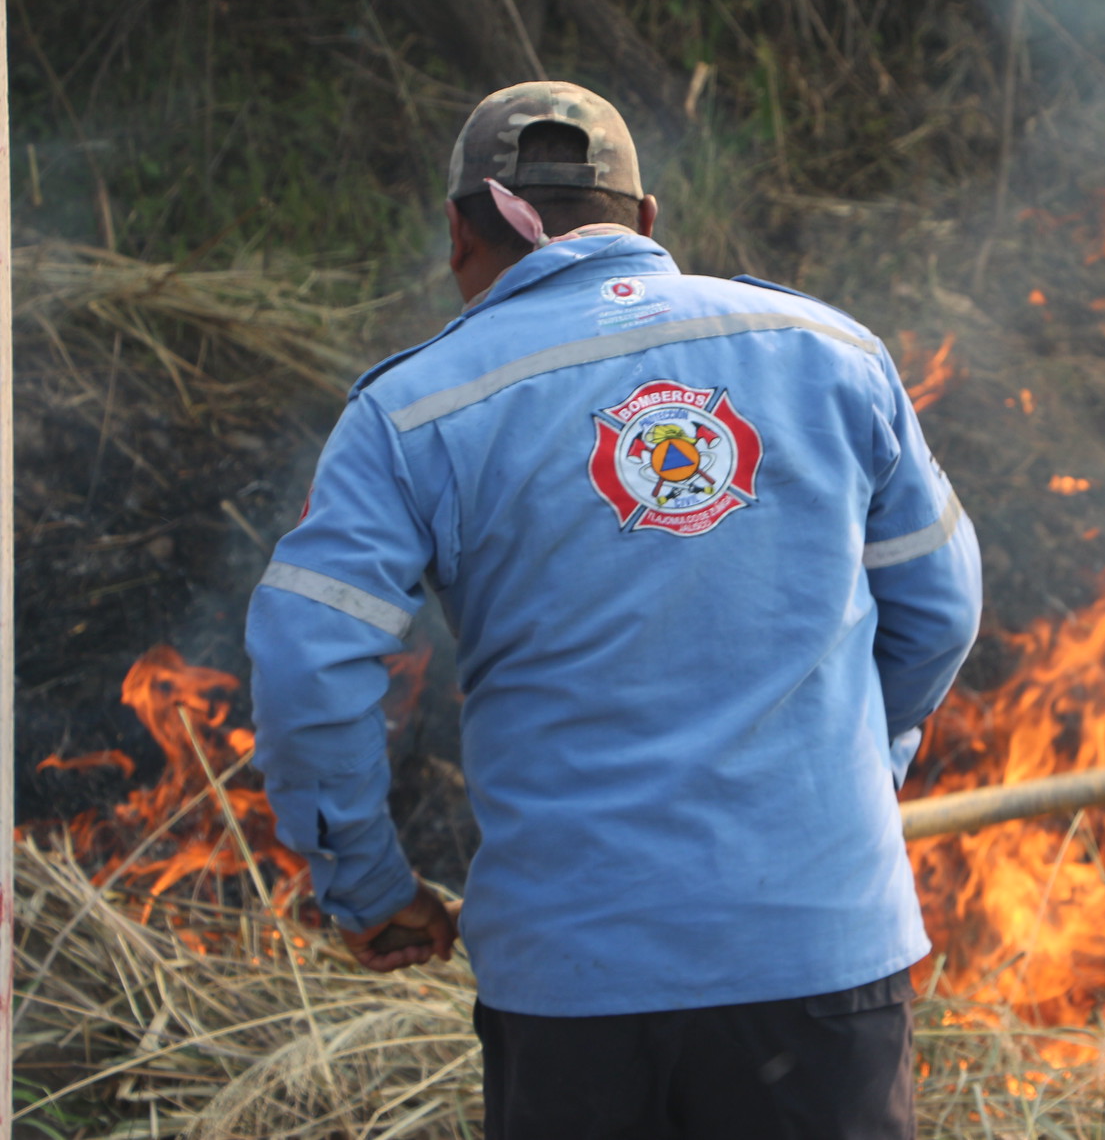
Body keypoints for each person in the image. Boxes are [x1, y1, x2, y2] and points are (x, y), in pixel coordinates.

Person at [246, 80, 982, 1139]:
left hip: (573, 984)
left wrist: (365, 885)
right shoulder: (831, 353)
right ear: (645, 225)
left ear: (458, 234)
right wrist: (862, 770)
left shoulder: (414, 411)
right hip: (820, 950)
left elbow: (309, 662)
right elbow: (942, 608)